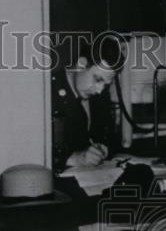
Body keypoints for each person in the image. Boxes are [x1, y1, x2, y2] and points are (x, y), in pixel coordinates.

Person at [51, 37, 122, 171]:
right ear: (81, 65)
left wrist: (103, 148)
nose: (99, 89)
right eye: (97, 79)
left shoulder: (97, 95)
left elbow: (109, 135)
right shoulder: (47, 92)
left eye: (106, 85)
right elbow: (31, 148)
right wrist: (72, 158)